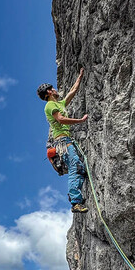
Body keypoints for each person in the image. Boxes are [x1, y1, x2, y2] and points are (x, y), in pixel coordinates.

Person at [37, 68, 89, 213]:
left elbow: (72, 92)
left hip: (66, 141)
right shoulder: (50, 105)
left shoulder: (59, 104)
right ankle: (75, 202)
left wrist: (80, 77)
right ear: (48, 92)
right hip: (62, 142)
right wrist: (79, 120)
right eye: (52, 88)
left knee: (79, 168)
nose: (55, 90)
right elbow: (60, 119)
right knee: (75, 167)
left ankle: (75, 196)